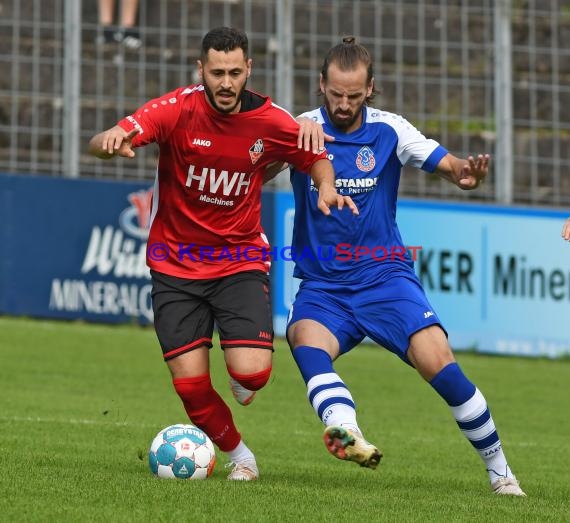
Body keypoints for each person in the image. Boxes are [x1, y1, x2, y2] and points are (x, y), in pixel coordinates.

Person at [88, 26, 356, 481]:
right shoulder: (176, 109)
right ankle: (241, 457)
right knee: (191, 388)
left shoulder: (270, 119)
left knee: (252, 376)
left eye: (235, 72)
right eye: (217, 73)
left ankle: (240, 370)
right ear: (201, 70)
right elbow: (107, 139)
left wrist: (325, 184)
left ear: (248, 69)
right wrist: (111, 140)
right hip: (174, 265)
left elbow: (313, 155)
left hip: (239, 262)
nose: (226, 82)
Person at [268, 36, 526, 496]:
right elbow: (252, 165)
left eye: (354, 95)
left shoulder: (391, 130)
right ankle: (347, 430)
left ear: (371, 89)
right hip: (324, 286)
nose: (343, 105)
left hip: (384, 277)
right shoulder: (299, 127)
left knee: (439, 363)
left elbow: (444, 163)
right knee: (303, 339)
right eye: (335, 94)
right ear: (321, 84)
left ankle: (500, 471)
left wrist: (463, 172)